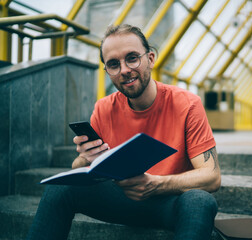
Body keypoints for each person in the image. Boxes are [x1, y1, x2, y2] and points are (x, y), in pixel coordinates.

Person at [27, 24, 221, 240]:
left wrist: (156, 184)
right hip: (121, 198)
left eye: (132, 58)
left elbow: (211, 177)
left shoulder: (187, 104)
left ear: (151, 58)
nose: (124, 70)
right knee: (59, 188)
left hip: (168, 201)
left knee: (200, 202)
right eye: (113, 64)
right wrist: (85, 159)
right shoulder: (103, 108)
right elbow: (78, 168)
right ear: (107, 71)